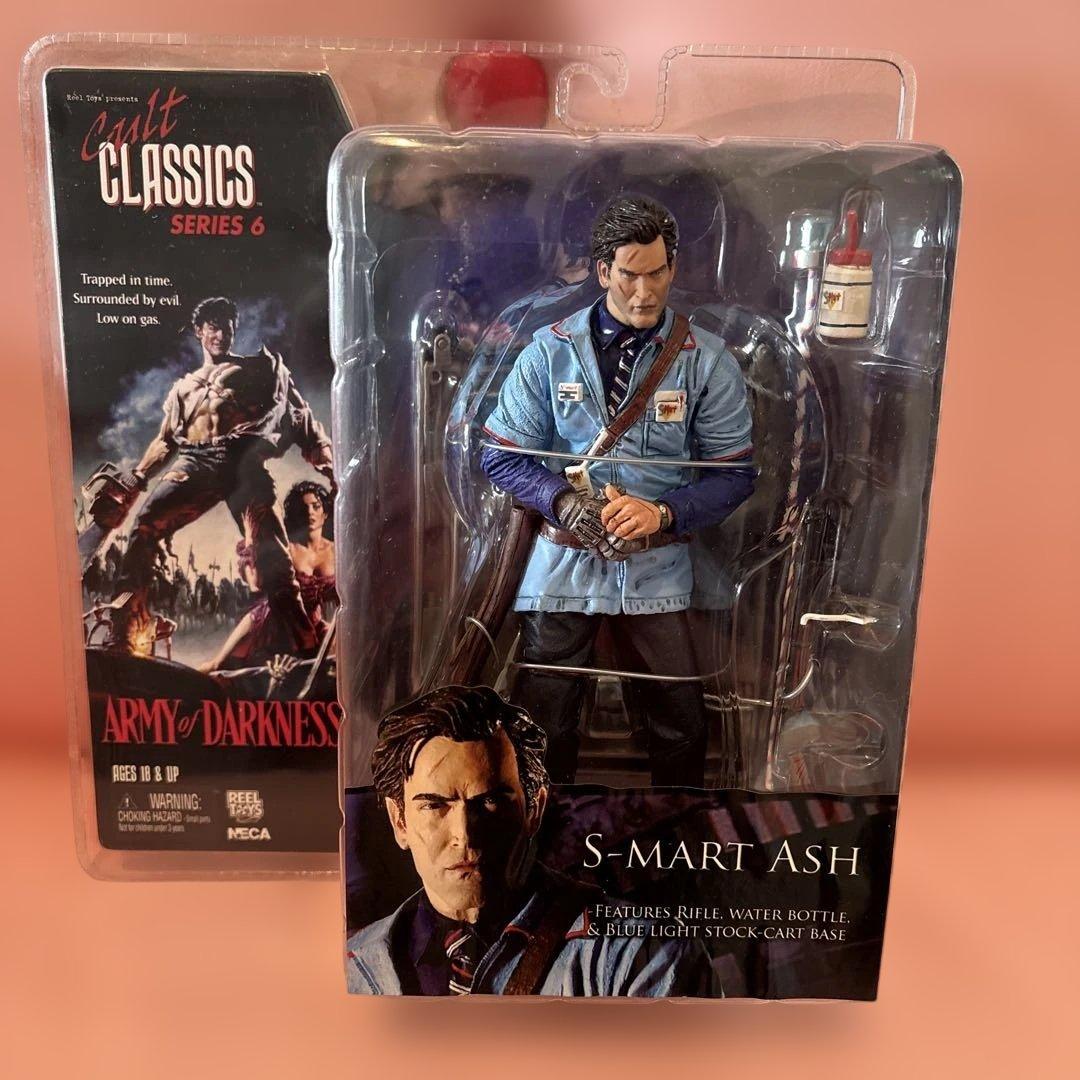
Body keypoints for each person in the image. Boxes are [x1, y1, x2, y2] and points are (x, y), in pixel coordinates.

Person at [479, 197, 755, 787]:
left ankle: (676, 827)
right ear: (603, 271)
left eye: (657, 273)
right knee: (542, 718)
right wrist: (563, 503)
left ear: (673, 267)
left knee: (681, 720)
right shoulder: (548, 352)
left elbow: (734, 474)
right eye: (630, 274)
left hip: (657, 568)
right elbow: (501, 456)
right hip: (562, 566)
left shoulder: (705, 361)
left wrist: (663, 512)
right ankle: (542, 824)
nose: (644, 292)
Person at [346, 684, 714, 997]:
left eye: (489, 802)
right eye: (435, 805)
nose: (464, 835)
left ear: (533, 809)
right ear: (399, 821)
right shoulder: (356, 962)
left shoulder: (638, 954)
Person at [107, 297, 334, 655]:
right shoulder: (184, 389)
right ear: (199, 332)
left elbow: (299, 415)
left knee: (273, 560)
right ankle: (127, 628)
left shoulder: (258, 370)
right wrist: (137, 479)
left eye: (226, 327)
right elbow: (165, 441)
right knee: (144, 527)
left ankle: (304, 643)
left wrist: (330, 467)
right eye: (213, 327)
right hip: (195, 461)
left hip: (241, 461)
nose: (220, 335)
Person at [198, 481, 336, 672]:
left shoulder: (335, 551)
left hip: (314, 628)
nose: (309, 512)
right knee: (217, 666)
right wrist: (250, 539)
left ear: (325, 512)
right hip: (272, 623)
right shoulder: (285, 547)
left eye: (316, 506)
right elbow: (255, 584)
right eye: (303, 508)